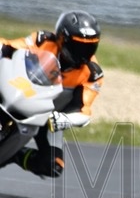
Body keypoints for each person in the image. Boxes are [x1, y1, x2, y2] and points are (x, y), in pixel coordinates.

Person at [0, 11, 103, 178]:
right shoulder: (43, 40)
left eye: (89, 47)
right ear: (62, 38)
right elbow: (12, 46)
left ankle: (15, 155)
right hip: (20, 92)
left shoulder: (93, 74)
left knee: (53, 166)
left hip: (50, 119)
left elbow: (84, 111)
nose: (82, 53)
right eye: (78, 46)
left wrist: (65, 119)